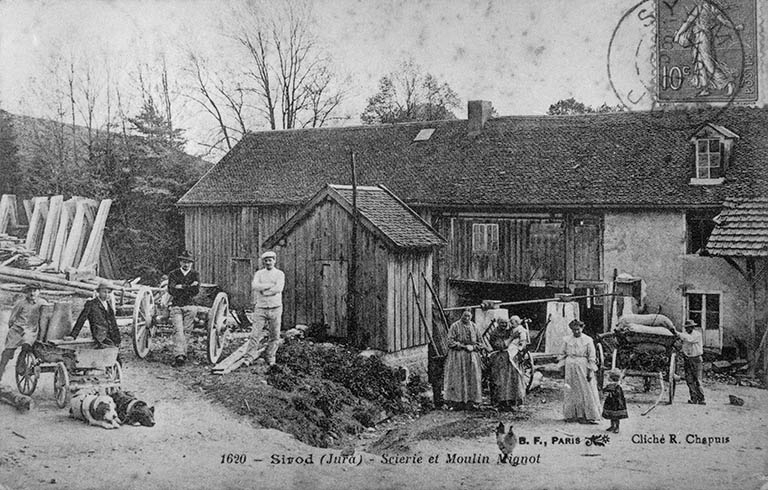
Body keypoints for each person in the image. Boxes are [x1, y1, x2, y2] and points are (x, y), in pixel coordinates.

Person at [673, 0, 743, 97]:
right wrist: (735, 27)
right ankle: (705, 88)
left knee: (708, 63)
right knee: (699, 61)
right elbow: (725, 21)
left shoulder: (700, 7)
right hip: (703, 37)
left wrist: (678, 34)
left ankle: (728, 82)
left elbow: (688, 22)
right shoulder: (713, 8)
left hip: (702, 37)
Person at [243, 251, 285, 367]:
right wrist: (270, 286)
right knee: (255, 334)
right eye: (266, 261)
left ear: (274, 261)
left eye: (270, 260)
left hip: (275, 307)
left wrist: (264, 291)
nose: (268, 262)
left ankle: (271, 357)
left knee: (275, 335)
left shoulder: (279, 274)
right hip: (260, 308)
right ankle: (249, 357)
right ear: (263, 262)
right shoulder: (259, 273)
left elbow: (278, 288)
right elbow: (255, 286)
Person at [558, 319, 601, 424]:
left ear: (582, 328)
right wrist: (562, 368)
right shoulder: (567, 340)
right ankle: (572, 415)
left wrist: (590, 371)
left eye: (578, 329)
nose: (576, 332)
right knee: (571, 390)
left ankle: (587, 415)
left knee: (585, 389)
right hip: (570, 365)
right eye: (574, 330)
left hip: (582, 365)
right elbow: (562, 354)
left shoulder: (588, 340)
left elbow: (592, 357)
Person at [0, 284, 46, 381]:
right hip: (17, 328)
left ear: (39, 292)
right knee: (7, 352)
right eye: (30, 291)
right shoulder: (21, 303)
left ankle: (21, 361)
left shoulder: (42, 303)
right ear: (26, 292)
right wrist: (12, 328)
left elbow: (45, 316)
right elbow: (12, 318)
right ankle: (1, 371)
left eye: (35, 290)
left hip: (31, 329)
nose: (32, 293)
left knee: (27, 344)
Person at [443, 308, 483, 410]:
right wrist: (463, 346)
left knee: (472, 378)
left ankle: (471, 401)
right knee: (458, 378)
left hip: (471, 357)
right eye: (465, 316)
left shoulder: (474, 327)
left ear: (471, 317)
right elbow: (450, 342)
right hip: (458, 356)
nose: (466, 318)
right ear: (461, 315)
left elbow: (480, 343)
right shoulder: (455, 326)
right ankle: (457, 402)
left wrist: (474, 347)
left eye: (469, 316)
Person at [168, 250, 200, 367]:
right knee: (178, 329)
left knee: (187, 330)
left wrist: (180, 286)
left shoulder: (195, 274)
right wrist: (189, 286)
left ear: (191, 264)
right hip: (176, 306)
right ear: (180, 262)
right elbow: (171, 290)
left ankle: (181, 354)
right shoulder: (173, 274)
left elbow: (196, 291)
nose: (186, 265)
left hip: (190, 306)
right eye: (184, 262)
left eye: (189, 262)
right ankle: (179, 355)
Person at [488, 316, 527, 410]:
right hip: (498, 358)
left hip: (509, 357)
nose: (504, 325)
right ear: (498, 323)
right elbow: (501, 346)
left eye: (506, 323)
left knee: (512, 379)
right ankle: (499, 403)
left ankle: (510, 402)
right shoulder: (494, 333)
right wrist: (512, 338)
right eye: (502, 323)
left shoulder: (508, 331)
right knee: (500, 380)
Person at [68, 283, 121, 349]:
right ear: (98, 292)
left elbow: (113, 323)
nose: (107, 295)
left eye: (109, 292)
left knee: (116, 352)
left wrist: (118, 339)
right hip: (100, 336)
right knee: (111, 349)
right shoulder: (91, 304)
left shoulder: (108, 305)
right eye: (104, 292)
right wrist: (73, 335)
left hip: (111, 335)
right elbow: (81, 320)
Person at [675, 319, 706, 405]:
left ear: (693, 327)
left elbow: (690, 340)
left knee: (697, 379)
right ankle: (694, 398)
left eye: (689, 327)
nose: (687, 329)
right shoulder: (685, 335)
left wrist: (677, 333)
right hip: (688, 359)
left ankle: (702, 399)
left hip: (696, 359)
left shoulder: (697, 335)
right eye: (686, 328)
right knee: (689, 380)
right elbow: (682, 342)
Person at [427, 308, 449, 409]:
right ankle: (438, 400)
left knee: (440, 376)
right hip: (435, 353)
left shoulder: (440, 323)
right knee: (436, 376)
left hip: (441, 351)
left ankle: (440, 399)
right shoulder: (434, 323)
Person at [602, 369, 628, 433]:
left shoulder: (617, 386)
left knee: (616, 415)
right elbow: (605, 390)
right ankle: (612, 426)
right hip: (610, 401)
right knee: (611, 414)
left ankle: (617, 427)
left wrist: (612, 392)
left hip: (616, 402)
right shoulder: (610, 385)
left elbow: (618, 394)